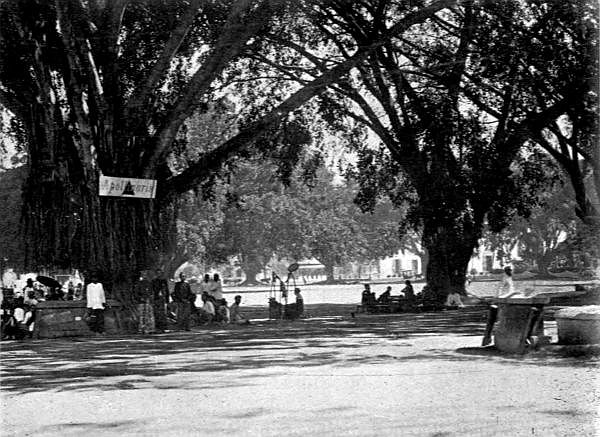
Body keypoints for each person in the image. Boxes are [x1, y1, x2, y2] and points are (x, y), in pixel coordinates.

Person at [151, 269, 170, 333]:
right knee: (156, 313)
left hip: (163, 299)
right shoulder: (153, 281)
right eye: (157, 273)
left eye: (160, 273)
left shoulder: (164, 281)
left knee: (163, 313)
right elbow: (152, 290)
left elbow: (167, 291)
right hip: (156, 299)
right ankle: (157, 327)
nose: (159, 274)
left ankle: (164, 327)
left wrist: (167, 300)